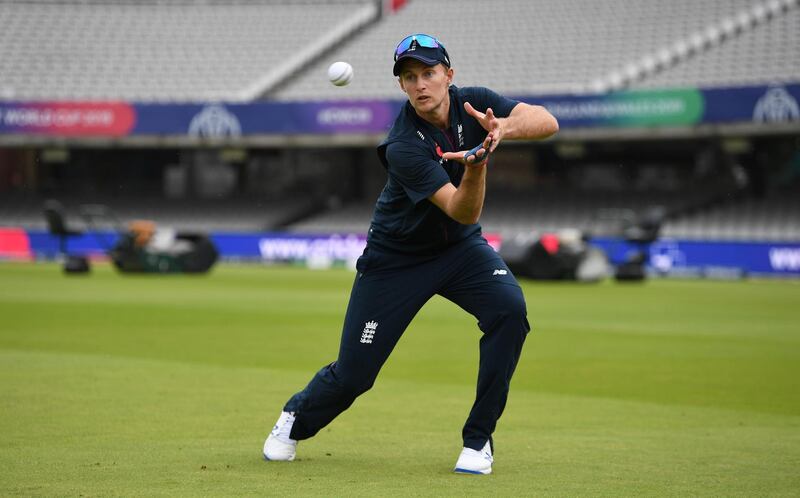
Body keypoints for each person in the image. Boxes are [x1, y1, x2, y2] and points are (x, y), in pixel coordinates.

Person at [263, 33, 558, 474]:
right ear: (402, 86)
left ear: (449, 76)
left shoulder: (474, 102)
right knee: (355, 376)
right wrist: (477, 165)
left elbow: (547, 121)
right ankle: (295, 418)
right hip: (395, 261)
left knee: (510, 311)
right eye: (409, 77)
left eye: (429, 73)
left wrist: (503, 128)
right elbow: (461, 209)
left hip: (459, 252)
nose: (420, 84)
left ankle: (478, 441)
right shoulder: (402, 144)